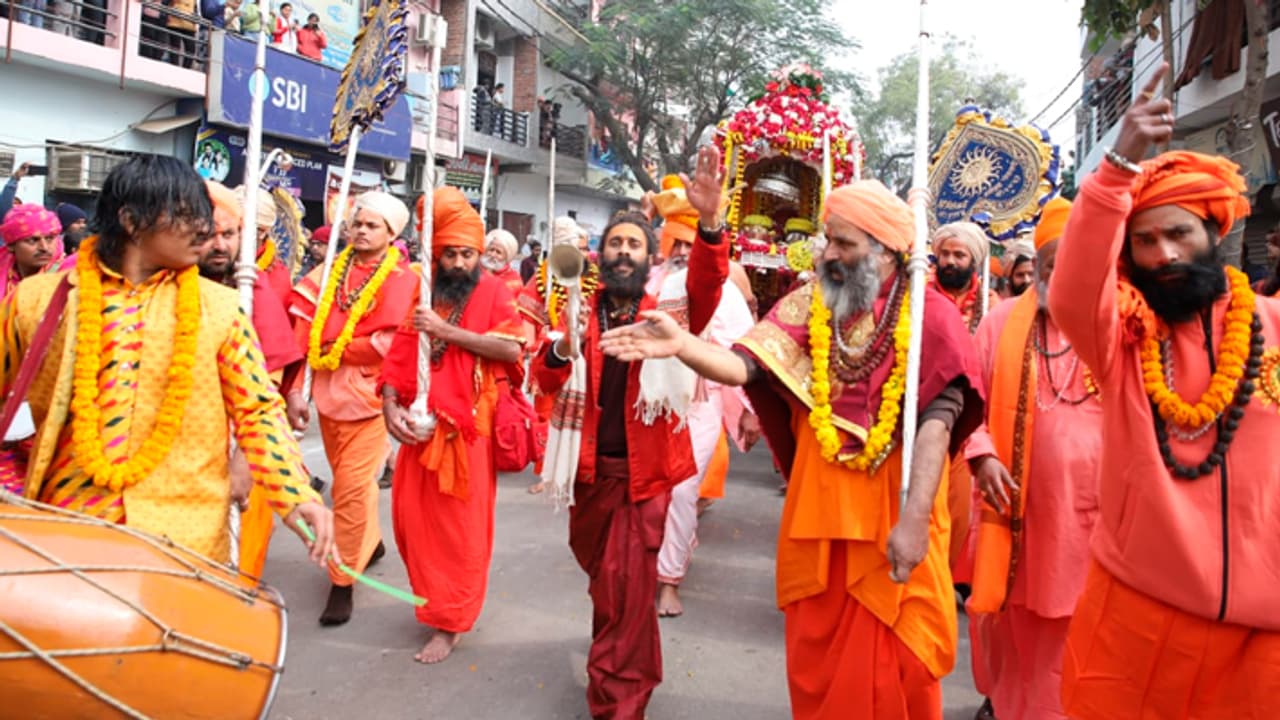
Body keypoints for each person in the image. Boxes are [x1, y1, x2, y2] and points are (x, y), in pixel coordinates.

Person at [598, 179, 984, 720]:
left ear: (884, 251)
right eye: (828, 239)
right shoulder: (812, 303)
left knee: (902, 666)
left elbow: (937, 423)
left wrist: (916, 519)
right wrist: (683, 345)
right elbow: (745, 365)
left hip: (891, 519)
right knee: (817, 664)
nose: (828, 254)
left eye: (843, 243)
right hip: (817, 520)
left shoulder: (929, 317)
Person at [1050, 64, 1280, 719]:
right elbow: (1072, 290)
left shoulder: (1274, 327)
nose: (1164, 254)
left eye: (1179, 233)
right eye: (1145, 241)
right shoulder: (1124, 341)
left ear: (1215, 233)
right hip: (1137, 621)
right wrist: (1118, 165)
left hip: (1264, 638)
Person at [0, 155, 333, 567]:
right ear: (131, 220)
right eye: (187, 215)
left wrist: (296, 495)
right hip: (70, 530)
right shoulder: (38, 301)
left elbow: (258, 411)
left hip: (185, 538)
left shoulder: (221, 309)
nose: (204, 229)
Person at [533, 147, 730, 719]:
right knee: (611, 587)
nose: (624, 252)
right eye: (616, 243)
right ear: (602, 254)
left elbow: (708, 284)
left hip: (642, 480)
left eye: (634, 245)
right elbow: (545, 378)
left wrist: (710, 223)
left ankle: (618, 702)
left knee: (624, 588)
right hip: (588, 476)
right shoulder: (578, 311)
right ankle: (625, 662)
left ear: (649, 257)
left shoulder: (668, 314)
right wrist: (563, 346)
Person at [962, 196, 1102, 720]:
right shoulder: (1000, 324)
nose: (1063, 275)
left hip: (1092, 525)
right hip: (1016, 517)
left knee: (1080, 643)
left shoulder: (1117, 326)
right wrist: (982, 456)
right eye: (1051, 264)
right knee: (1017, 638)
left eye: (1075, 262)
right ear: (1036, 268)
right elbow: (967, 407)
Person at [378, 187, 524, 664]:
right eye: (450, 254)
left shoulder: (494, 291)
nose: (459, 263)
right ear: (436, 255)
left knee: (459, 532)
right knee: (412, 524)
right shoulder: (424, 290)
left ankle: (451, 620)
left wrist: (446, 332)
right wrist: (390, 405)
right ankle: (435, 600)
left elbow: (511, 349)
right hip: (418, 428)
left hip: (467, 431)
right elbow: (402, 352)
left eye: (468, 254)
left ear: (479, 255)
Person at [288, 191, 418, 625]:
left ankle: (341, 580)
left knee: (349, 489)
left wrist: (339, 348)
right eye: (357, 224)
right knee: (352, 486)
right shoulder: (330, 269)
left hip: (374, 397)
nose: (361, 231)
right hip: (328, 395)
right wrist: (297, 388)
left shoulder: (401, 278)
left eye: (371, 225)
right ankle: (371, 544)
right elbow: (304, 327)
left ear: (391, 233)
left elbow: (392, 341)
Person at [648, 175, 759, 619]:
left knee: (681, 491)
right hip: (648, 404)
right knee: (648, 492)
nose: (680, 251)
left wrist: (749, 410)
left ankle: (668, 580)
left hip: (700, 401)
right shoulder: (649, 284)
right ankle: (651, 561)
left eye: (687, 243)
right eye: (673, 243)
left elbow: (744, 352)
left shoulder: (724, 290)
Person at [201, 181, 306, 577]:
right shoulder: (167, 282)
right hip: (180, 449)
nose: (220, 245)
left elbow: (268, 377)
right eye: (209, 234)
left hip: (244, 431)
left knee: (241, 552)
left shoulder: (255, 283)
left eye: (231, 234)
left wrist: (243, 459)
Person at [931, 221, 1000, 332]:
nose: (950, 261)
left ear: (974, 262)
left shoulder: (989, 301)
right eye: (945, 254)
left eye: (959, 255)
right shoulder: (921, 291)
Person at [0, 204, 73, 299]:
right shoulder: (4, 274)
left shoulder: (70, 277)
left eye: (49, 238)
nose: (44, 247)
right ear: (11, 246)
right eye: (33, 240)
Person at [482, 227, 524, 295]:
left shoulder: (514, 279)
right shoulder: (476, 271)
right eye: (491, 250)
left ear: (506, 257)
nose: (493, 255)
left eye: (498, 252)